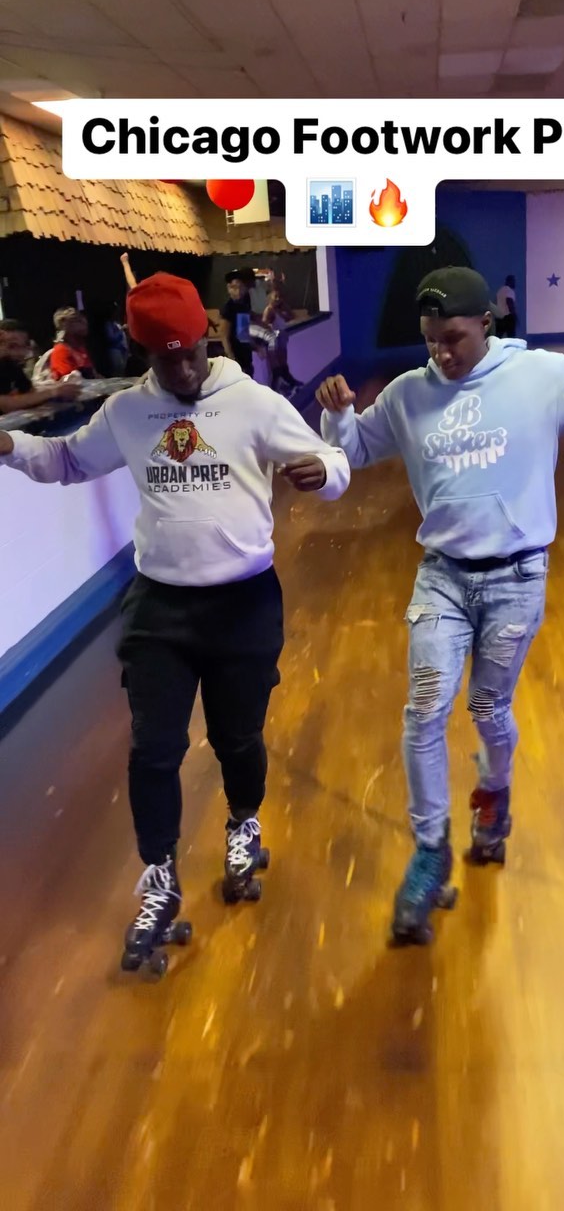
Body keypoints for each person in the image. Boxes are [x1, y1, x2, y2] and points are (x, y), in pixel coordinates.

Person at [316, 265, 564, 946]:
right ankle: (430, 851)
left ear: (487, 323)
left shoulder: (537, 377)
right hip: (442, 577)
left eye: (454, 338)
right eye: (431, 340)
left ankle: (493, 797)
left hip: (516, 579)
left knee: (489, 710)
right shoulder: (407, 395)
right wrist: (340, 413)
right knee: (424, 710)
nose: (442, 352)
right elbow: (354, 451)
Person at [0, 273, 350, 975]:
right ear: (144, 355)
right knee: (153, 751)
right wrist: (11, 448)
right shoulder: (128, 411)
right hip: (160, 605)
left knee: (237, 737)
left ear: (206, 338)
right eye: (166, 359)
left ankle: (243, 825)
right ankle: (158, 877)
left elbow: (332, 459)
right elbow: (68, 459)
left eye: (190, 352)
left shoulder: (253, 402)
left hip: (244, 602)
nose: (183, 369)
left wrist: (324, 472)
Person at [0, 318, 78, 415]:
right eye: (12, 346)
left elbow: (29, 393)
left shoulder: (11, 365)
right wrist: (54, 392)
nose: (20, 353)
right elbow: (5, 405)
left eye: (24, 345)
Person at [262, 289, 302, 394]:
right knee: (276, 365)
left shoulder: (279, 310)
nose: (278, 299)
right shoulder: (269, 310)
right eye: (275, 296)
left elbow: (291, 316)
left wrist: (283, 309)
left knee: (283, 361)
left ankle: (288, 382)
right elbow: (264, 324)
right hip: (274, 339)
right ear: (269, 297)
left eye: (279, 297)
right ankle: (276, 387)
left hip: (282, 338)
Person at [219, 268, 257, 377]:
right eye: (234, 287)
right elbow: (224, 337)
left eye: (241, 287)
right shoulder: (228, 308)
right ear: (228, 288)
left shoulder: (244, 304)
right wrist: (233, 361)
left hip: (246, 358)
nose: (238, 291)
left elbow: (243, 333)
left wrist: (255, 347)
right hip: (236, 360)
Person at [49, 309, 96, 381]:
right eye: (77, 320)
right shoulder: (61, 350)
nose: (84, 322)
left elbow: (94, 376)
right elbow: (71, 383)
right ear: (65, 325)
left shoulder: (80, 349)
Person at [495, 274, 517, 339]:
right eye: (513, 281)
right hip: (508, 317)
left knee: (498, 336)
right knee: (511, 337)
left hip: (499, 317)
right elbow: (509, 302)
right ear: (510, 281)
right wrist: (514, 315)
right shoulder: (509, 290)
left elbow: (495, 302)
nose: (514, 283)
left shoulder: (500, 291)